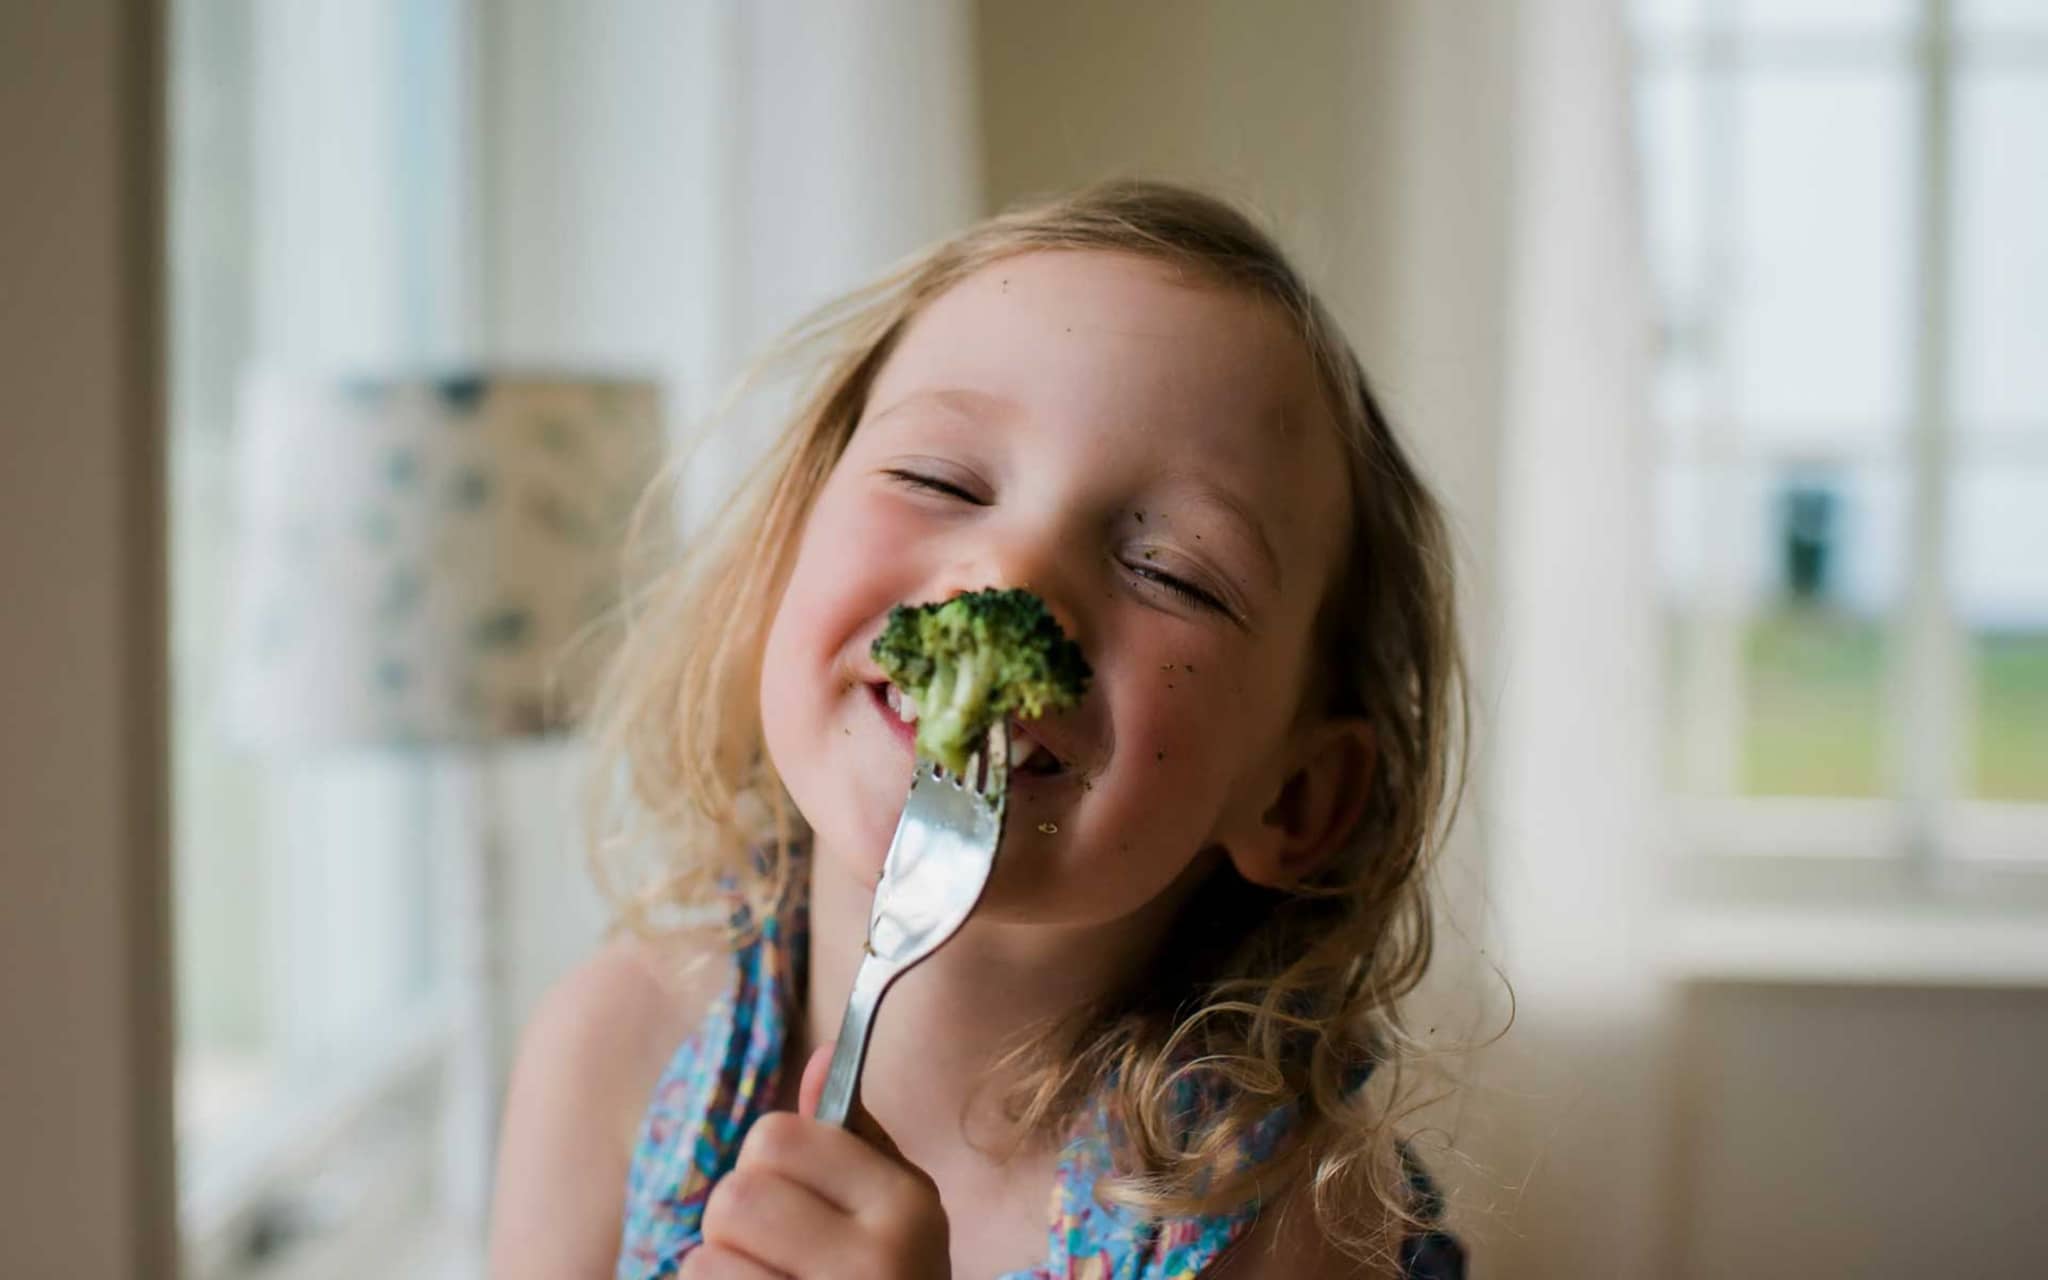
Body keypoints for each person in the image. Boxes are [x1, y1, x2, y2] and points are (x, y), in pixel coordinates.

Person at [490, 181, 1470, 1279]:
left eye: (1170, 570)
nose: (1013, 575)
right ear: (781, 551)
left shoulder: (1297, 1225)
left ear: (1294, 796)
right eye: (937, 477)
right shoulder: (613, 1049)